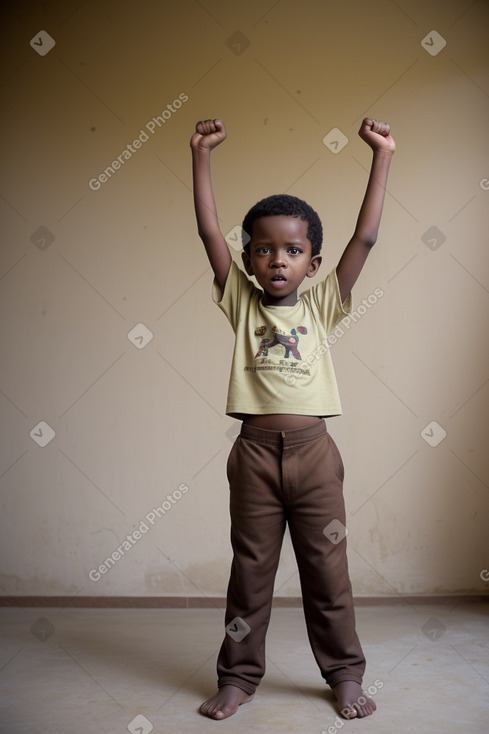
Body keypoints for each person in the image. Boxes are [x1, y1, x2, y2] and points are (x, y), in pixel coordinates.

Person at [190, 116, 395, 721]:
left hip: (315, 456)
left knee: (328, 573)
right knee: (249, 575)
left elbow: (367, 239)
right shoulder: (239, 298)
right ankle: (237, 677)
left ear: (313, 262)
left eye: (293, 250)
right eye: (264, 249)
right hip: (253, 457)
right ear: (249, 259)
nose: (278, 259)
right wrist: (201, 157)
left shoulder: (326, 302)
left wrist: (382, 155)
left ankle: (345, 676)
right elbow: (207, 231)